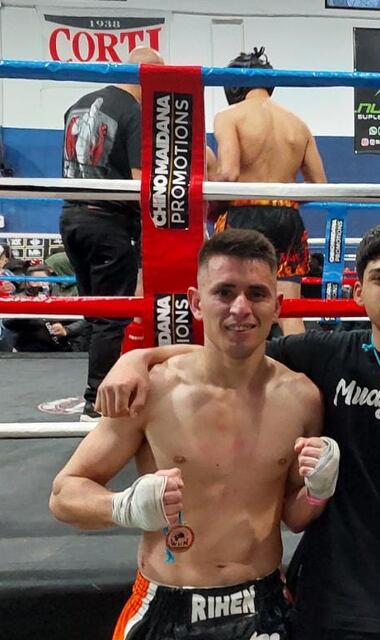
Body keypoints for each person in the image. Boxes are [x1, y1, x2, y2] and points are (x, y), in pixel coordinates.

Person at [96, 223, 380, 640]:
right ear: (358, 293)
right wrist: (139, 358)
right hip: (334, 590)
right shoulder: (323, 355)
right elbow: (232, 348)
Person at [49, 229, 335, 639]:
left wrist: (318, 490)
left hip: (265, 605)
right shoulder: (153, 390)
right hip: (165, 604)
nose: (241, 308)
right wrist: (122, 506)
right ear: (196, 303)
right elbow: (63, 495)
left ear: (278, 305)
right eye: (224, 292)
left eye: (257, 293)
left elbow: (292, 515)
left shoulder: (303, 397)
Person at [59, 46, 163, 421]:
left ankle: (95, 392)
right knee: (111, 315)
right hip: (108, 222)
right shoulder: (133, 110)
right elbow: (140, 181)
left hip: (72, 217)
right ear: (146, 76)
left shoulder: (77, 104)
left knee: (94, 312)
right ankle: (96, 402)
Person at [212, 46, 328, 336]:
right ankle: (299, 375)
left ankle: (231, 376)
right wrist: (282, 201)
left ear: (234, 85)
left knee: (232, 303)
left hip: (243, 215)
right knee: (290, 310)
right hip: (287, 216)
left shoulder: (229, 117)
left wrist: (210, 204)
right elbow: (321, 186)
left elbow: (228, 172)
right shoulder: (298, 124)